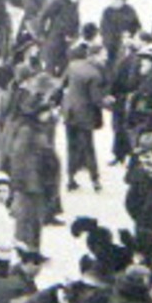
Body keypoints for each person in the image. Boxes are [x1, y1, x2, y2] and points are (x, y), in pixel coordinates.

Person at [61, 42, 106, 193]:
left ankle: (70, 179)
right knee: (88, 147)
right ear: (94, 56)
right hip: (85, 115)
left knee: (71, 146)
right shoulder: (95, 74)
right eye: (103, 54)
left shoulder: (73, 65)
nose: (105, 58)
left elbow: (62, 84)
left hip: (69, 111)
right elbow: (96, 100)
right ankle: (95, 180)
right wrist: (110, 103)